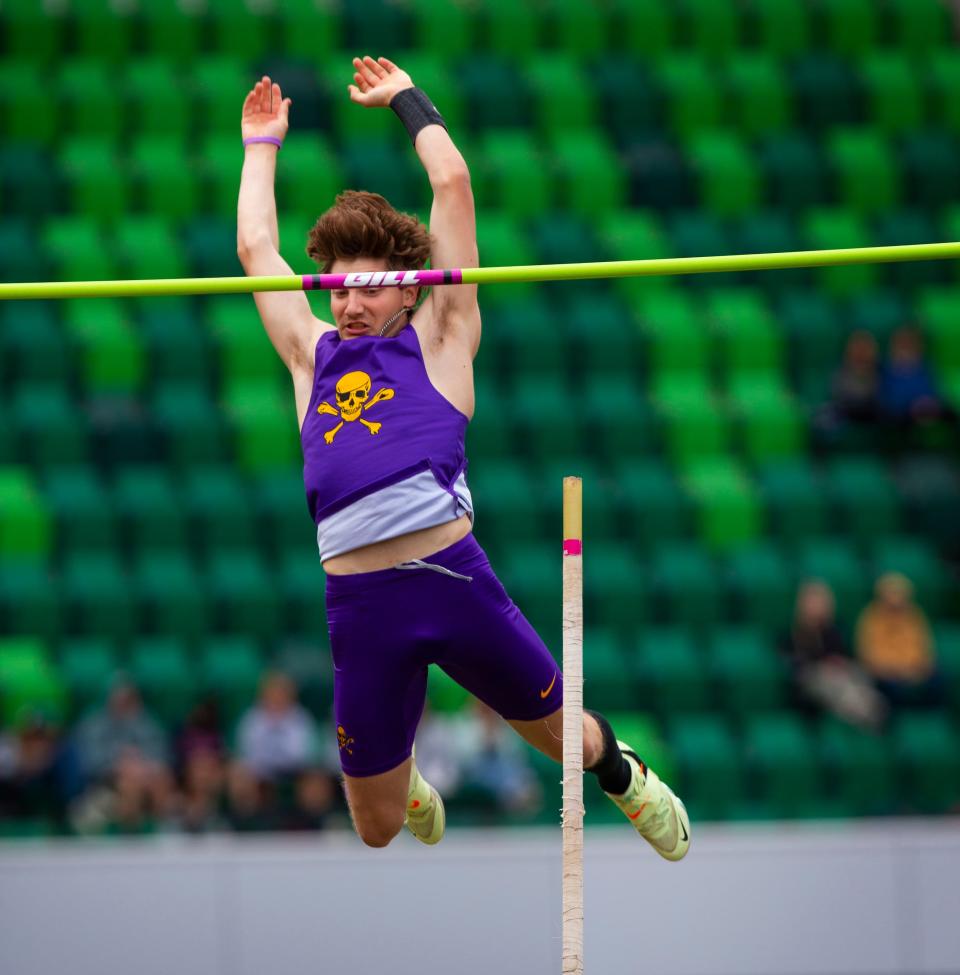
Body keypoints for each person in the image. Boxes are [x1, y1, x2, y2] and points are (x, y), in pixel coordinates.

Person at [236, 56, 689, 859]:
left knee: (567, 745)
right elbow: (256, 248)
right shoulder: (311, 357)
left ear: (409, 289)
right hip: (361, 607)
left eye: (368, 287)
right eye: (337, 289)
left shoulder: (443, 339)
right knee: (376, 829)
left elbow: (452, 184)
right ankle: (404, 777)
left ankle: (624, 772)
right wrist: (261, 145)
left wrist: (406, 99)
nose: (347, 302)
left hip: (455, 585)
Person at [778, 580, 887, 731]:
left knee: (857, 675)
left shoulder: (835, 631)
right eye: (813, 602)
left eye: (821, 602)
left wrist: (839, 663)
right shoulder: (793, 632)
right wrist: (821, 666)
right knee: (833, 682)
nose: (817, 606)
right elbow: (794, 662)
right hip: (814, 679)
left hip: (841, 676)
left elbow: (845, 655)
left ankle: (868, 708)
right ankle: (863, 713)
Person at [856, 573, 942, 708]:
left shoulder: (915, 614)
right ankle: (894, 724)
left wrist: (916, 668)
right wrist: (896, 670)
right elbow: (869, 655)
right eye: (892, 593)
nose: (896, 598)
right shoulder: (871, 617)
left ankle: (929, 718)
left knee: (939, 679)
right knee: (890, 689)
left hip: (913, 670)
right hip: (888, 673)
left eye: (900, 593)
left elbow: (924, 647)